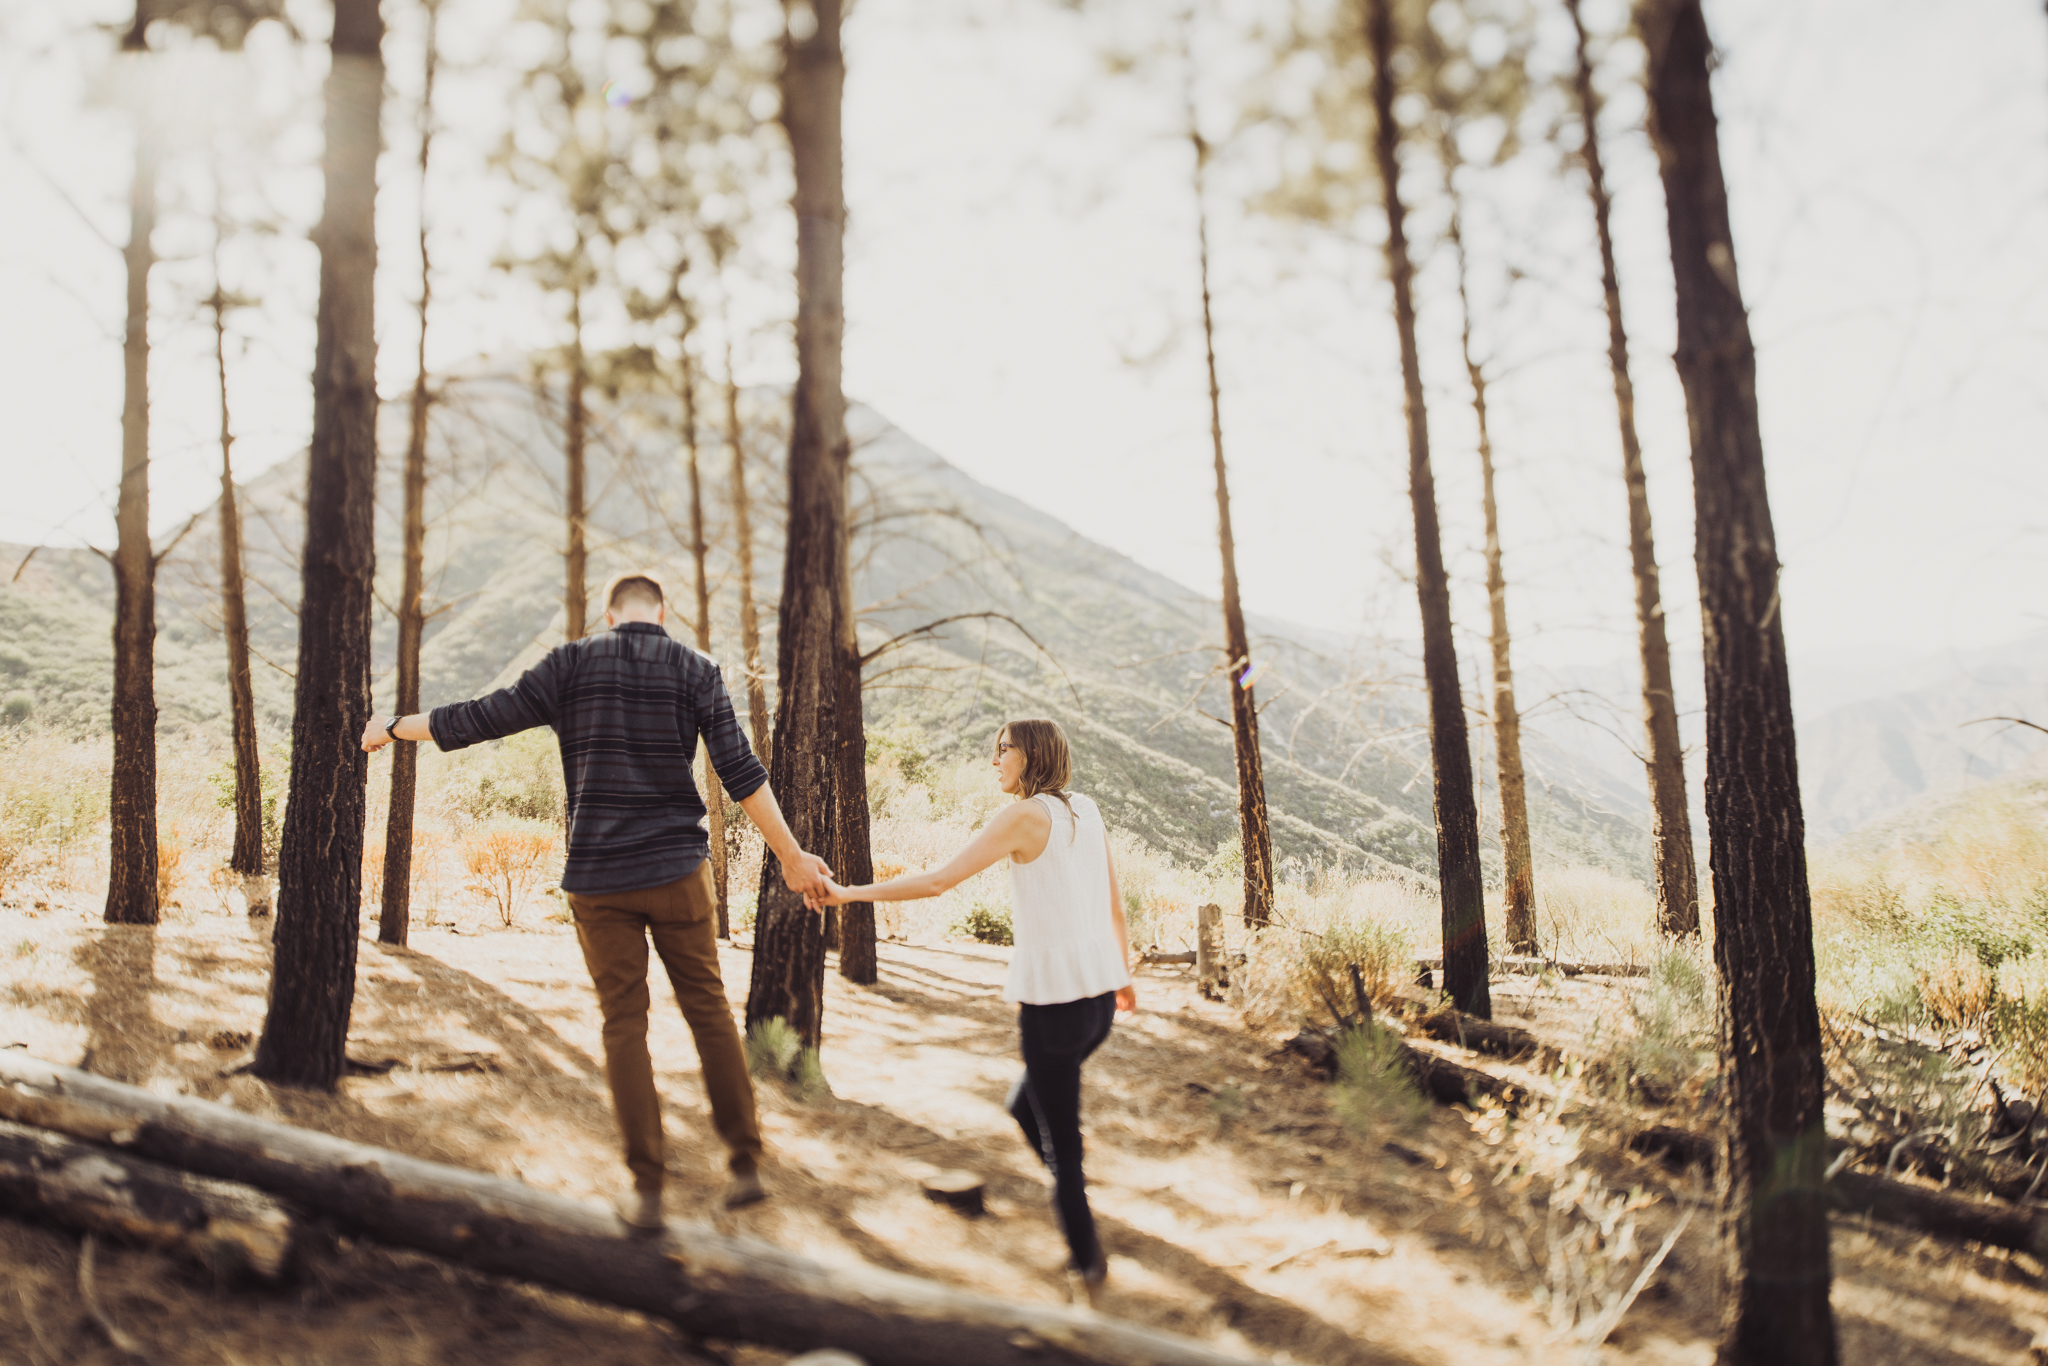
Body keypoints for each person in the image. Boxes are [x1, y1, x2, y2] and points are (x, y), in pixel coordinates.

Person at [362, 570, 831, 1229]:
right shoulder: (697, 668)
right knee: (709, 1015)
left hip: (600, 878)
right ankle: (745, 1162)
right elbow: (741, 770)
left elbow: (478, 718)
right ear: (660, 613)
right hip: (678, 872)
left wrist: (391, 726)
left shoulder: (571, 664)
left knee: (623, 1025)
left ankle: (645, 1188)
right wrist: (790, 856)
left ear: (609, 615)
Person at [809, 717, 1134, 1304]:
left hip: (1056, 1007)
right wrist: (1124, 975)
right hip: (1097, 1002)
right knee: (1022, 1103)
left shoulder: (1023, 816)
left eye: (1002, 750)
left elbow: (937, 883)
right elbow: (1112, 900)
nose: (995, 761)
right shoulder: (1084, 807)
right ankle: (1073, 1191)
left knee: (1062, 1140)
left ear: (1029, 755)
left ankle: (1088, 1268)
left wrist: (849, 894)